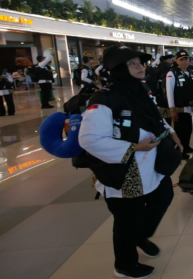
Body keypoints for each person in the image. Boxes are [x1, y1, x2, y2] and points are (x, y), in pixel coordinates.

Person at [78, 45, 183, 279]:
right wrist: (134, 147)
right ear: (118, 69)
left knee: (164, 195)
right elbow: (89, 139)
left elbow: (153, 118)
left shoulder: (139, 90)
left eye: (140, 62)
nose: (140, 66)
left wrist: (171, 133)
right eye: (132, 63)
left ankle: (139, 235)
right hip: (125, 170)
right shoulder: (104, 99)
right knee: (127, 218)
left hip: (150, 165)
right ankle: (125, 264)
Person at [165, 50, 193, 158]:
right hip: (179, 108)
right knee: (180, 129)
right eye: (181, 59)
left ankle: (186, 146)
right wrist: (172, 108)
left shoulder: (192, 72)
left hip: (190, 107)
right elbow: (169, 92)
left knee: (188, 128)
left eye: (186, 59)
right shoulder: (172, 73)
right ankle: (180, 151)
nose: (184, 61)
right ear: (176, 60)